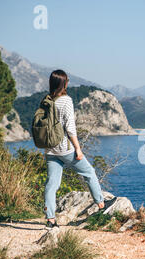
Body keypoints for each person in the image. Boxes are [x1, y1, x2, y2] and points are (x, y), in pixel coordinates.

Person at [43, 69, 112, 229]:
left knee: (51, 184)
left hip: (49, 149)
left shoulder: (47, 100)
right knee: (89, 172)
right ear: (64, 83)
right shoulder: (66, 101)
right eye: (66, 81)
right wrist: (78, 149)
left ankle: (50, 220)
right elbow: (70, 127)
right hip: (65, 148)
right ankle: (102, 205)